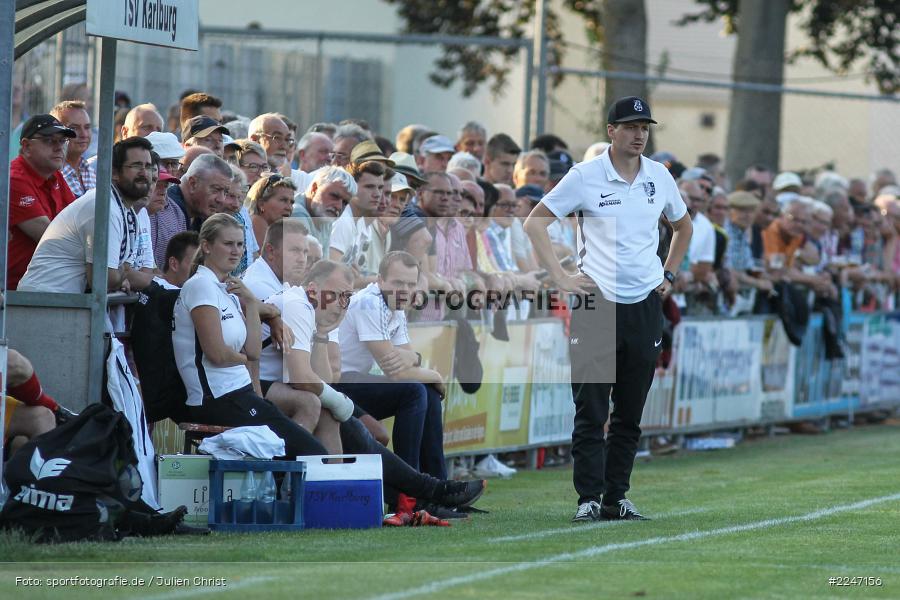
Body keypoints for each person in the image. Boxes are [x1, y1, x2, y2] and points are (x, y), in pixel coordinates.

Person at [524, 96, 692, 522]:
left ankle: (618, 497)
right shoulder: (585, 176)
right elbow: (536, 222)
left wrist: (668, 275)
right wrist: (562, 279)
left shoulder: (659, 176)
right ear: (611, 131)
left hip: (644, 304)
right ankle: (589, 498)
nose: (639, 135)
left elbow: (683, 225)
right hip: (596, 304)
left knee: (630, 411)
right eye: (631, 127)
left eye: (645, 128)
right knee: (592, 407)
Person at [336, 251, 448, 479]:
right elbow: (396, 372)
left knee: (427, 392)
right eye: (397, 282)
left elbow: (408, 363)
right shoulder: (369, 302)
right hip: (337, 382)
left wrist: (414, 359)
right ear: (380, 280)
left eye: (409, 284)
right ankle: (409, 487)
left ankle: (437, 486)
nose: (404, 290)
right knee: (416, 390)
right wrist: (435, 375)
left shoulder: (395, 306)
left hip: (355, 382)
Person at [18, 136, 155, 294]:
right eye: (136, 166)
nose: (145, 173)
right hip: (43, 303)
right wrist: (120, 275)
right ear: (115, 173)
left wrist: (120, 274)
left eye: (149, 166)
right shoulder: (104, 207)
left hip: (65, 302)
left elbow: (123, 270)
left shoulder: (126, 211)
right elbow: (102, 279)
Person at [7, 114, 77, 289]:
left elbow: (79, 224)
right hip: (14, 293)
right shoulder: (14, 179)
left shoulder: (56, 176)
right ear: (26, 146)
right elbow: (51, 237)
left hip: (46, 285)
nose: (58, 147)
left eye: (62, 141)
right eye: (49, 140)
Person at [51, 101, 95, 198]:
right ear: (56, 132)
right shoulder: (50, 176)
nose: (84, 134)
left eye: (87, 127)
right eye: (74, 128)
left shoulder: (92, 172)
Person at [247, 174, 297, 249]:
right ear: (261, 204)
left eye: (291, 202)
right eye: (283, 200)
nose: (289, 208)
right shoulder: (257, 222)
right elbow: (269, 259)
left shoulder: (276, 230)